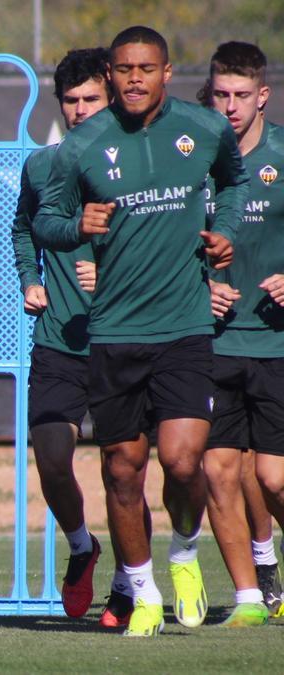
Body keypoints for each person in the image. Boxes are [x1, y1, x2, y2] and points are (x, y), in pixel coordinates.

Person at [34, 25, 248, 636]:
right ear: (110, 74)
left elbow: (232, 182)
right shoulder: (82, 146)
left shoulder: (204, 129)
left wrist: (225, 228)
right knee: (122, 469)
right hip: (114, 333)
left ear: (167, 72)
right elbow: (45, 221)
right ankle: (143, 590)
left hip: (183, 325)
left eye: (145, 68)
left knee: (183, 463)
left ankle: (184, 551)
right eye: (123, 69)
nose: (134, 79)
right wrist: (78, 224)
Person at [12, 47, 149, 626]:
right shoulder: (42, 167)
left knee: (124, 469)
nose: (80, 110)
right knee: (50, 456)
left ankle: (125, 585)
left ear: (112, 96)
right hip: (58, 340)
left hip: (124, 338)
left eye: (91, 98)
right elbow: (22, 229)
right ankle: (81, 547)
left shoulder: (143, 161)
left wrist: (112, 270)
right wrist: (30, 278)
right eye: (70, 101)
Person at [201, 40, 282, 627]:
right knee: (216, 471)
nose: (229, 106)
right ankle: (251, 599)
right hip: (210, 343)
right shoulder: (191, 157)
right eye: (219, 95)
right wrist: (198, 286)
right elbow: (164, 238)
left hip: (275, 342)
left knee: (274, 478)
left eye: (239, 96)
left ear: (262, 96)